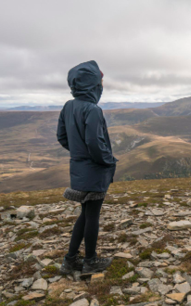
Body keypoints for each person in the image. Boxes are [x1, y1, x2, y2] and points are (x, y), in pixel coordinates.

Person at [56, 60, 117, 274]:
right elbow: (95, 144)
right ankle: (90, 261)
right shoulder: (93, 110)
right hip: (95, 172)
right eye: (100, 82)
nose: (102, 86)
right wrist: (107, 161)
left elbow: (62, 137)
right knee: (92, 216)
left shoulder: (68, 106)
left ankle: (70, 260)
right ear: (93, 85)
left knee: (85, 214)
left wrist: (78, 153)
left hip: (79, 169)